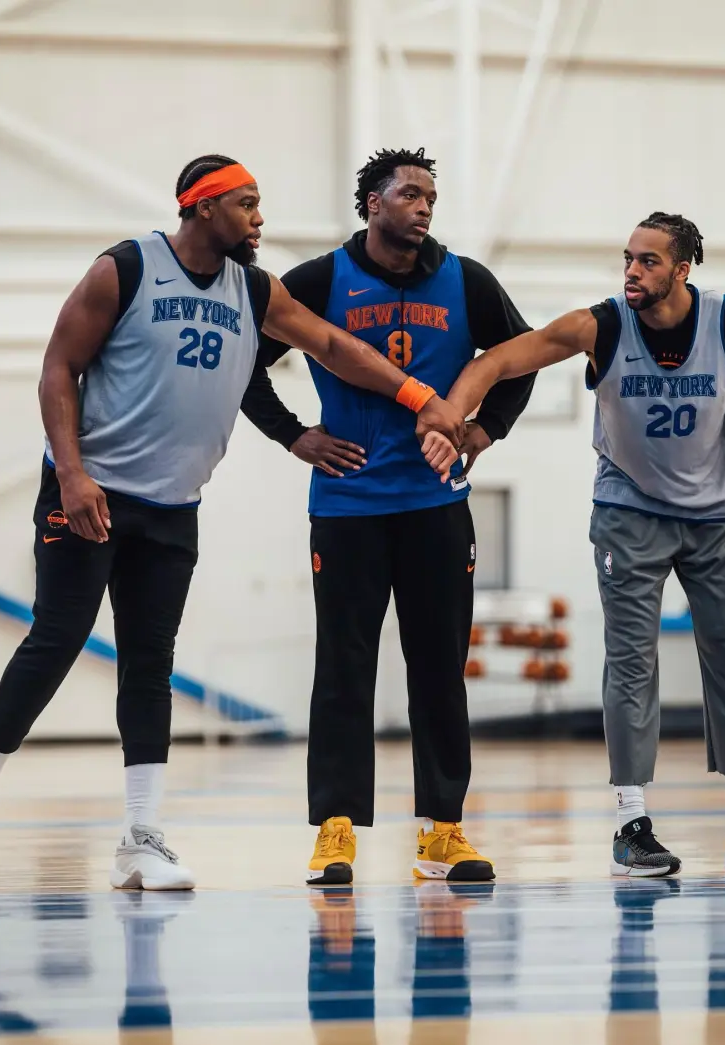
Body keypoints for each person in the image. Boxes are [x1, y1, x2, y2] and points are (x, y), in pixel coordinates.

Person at [0, 154, 464, 892]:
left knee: (150, 664)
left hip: (173, 504)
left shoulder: (255, 288)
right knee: (58, 639)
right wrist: (74, 474)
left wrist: (416, 396)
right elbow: (59, 367)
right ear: (203, 207)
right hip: (91, 493)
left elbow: (332, 345)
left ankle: (141, 839)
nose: (259, 218)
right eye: (247, 204)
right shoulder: (125, 269)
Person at [430, 211, 725, 877]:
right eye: (628, 258)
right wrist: (455, 413)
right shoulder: (601, 326)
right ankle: (631, 825)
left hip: (716, 517)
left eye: (648, 261)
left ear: (682, 269)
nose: (632, 271)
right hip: (629, 512)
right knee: (631, 664)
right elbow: (501, 358)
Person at [250, 147, 537, 885]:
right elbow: (245, 364)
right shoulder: (319, 280)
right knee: (343, 667)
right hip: (348, 505)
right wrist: (294, 435)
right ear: (373, 203)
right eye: (410, 193)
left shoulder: (467, 280)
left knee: (439, 669)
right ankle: (336, 830)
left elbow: (519, 361)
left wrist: (482, 432)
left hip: (436, 506)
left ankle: (443, 831)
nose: (424, 206)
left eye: (431, 196)